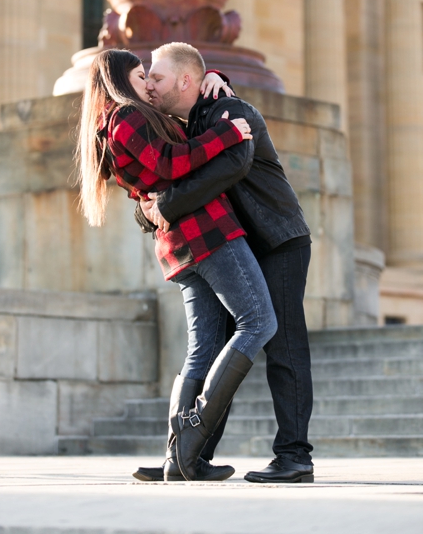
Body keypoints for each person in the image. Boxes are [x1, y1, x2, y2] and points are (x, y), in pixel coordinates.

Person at [76, 48, 278, 482]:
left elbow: (172, 155)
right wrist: (227, 134)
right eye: (139, 76)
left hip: (183, 244)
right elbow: (172, 163)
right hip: (206, 233)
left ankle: (177, 459)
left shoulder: (126, 120)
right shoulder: (125, 119)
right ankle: (193, 433)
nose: (148, 83)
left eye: (151, 76)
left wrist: (215, 76)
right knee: (259, 322)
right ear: (118, 81)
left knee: (203, 348)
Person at [135, 42, 315, 484]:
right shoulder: (184, 122)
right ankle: (188, 456)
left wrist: (166, 206)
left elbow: (224, 171)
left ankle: (295, 457)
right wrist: (148, 208)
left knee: (283, 346)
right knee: (211, 348)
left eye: (156, 77)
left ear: (184, 82)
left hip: (278, 240)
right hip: (234, 245)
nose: (150, 84)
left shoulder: (233, 114)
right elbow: (157, 178)